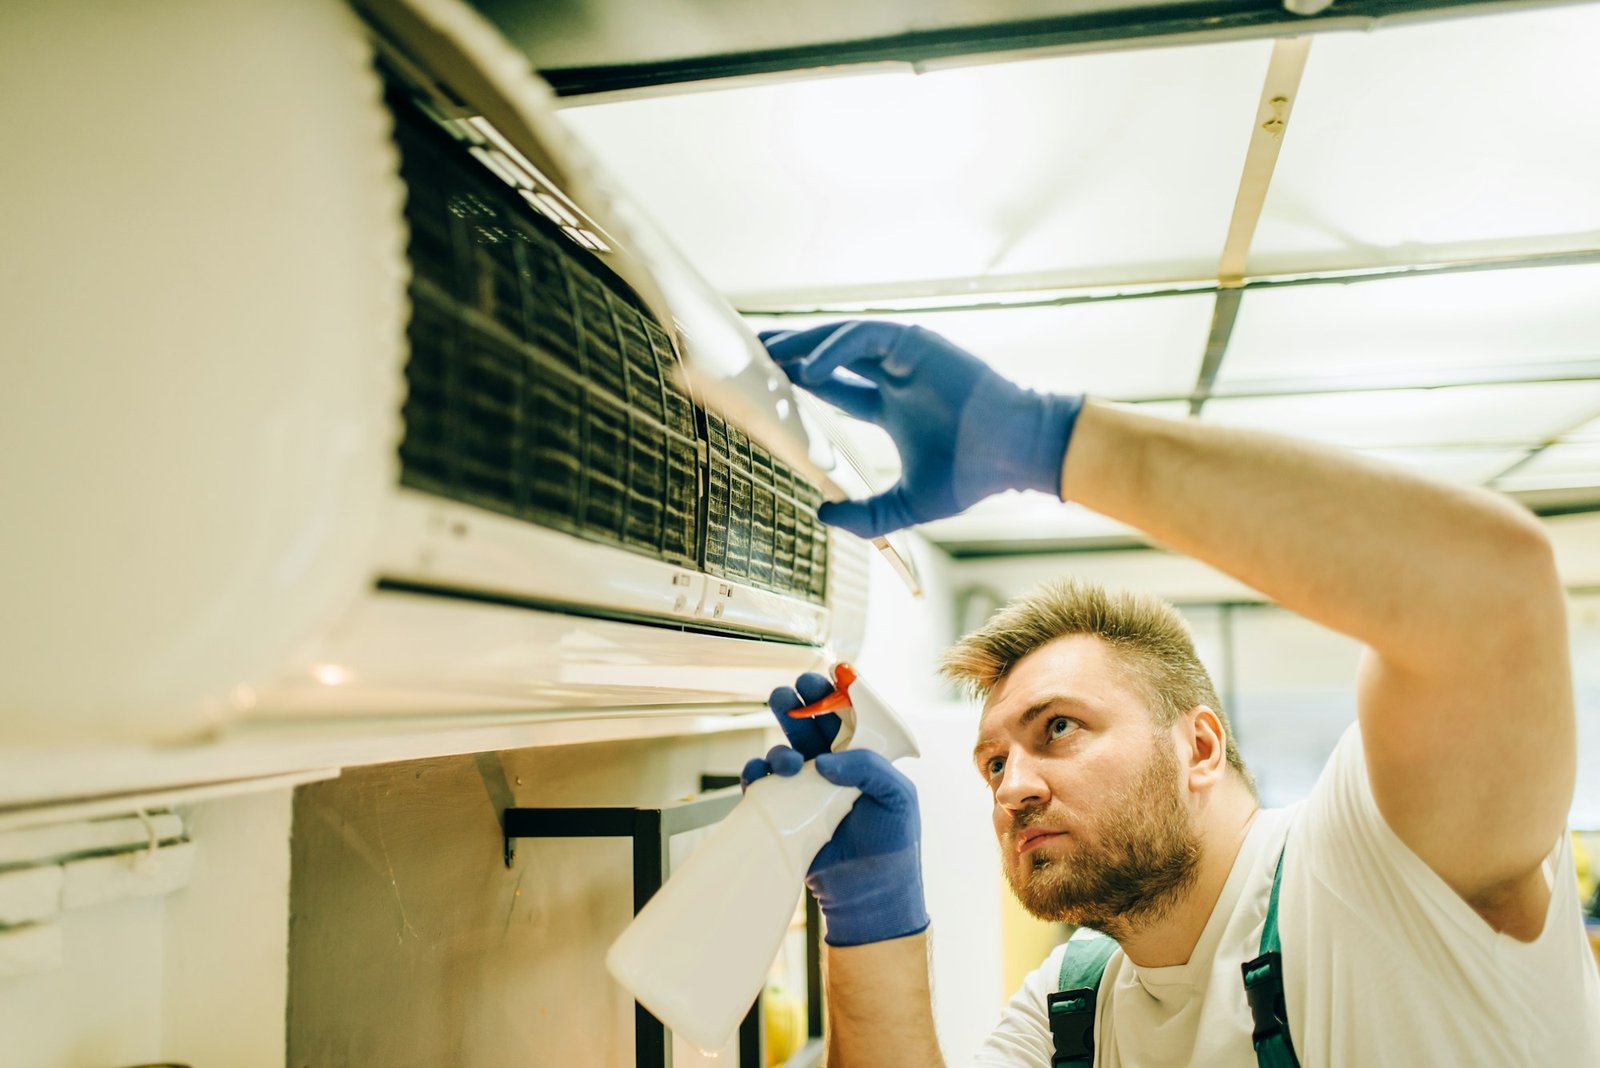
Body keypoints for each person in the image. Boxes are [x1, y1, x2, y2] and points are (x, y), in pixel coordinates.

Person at [740, 321, 1600, 1066]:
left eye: (1060, 727)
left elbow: (1489, 592)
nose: (1013, 788)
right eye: (993, 763)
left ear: (1200, 747)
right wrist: (871, 916)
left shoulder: (1372, 867)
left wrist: (1047, 443)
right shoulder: (1072, 1007)